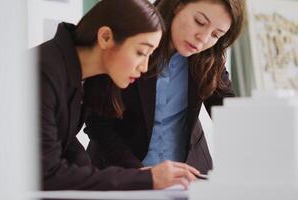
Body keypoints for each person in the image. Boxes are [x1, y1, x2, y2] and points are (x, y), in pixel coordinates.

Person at [38, 0, 200, 191]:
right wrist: (147, 178)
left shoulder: (77, 76)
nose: (145, 67)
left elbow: (65, 146)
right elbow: (48, 174)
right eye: (141, 52)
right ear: (105, 37)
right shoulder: (45, 71)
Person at [85, 0, 244, 174]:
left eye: (216, 34)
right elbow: (97, 122)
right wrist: (141, 173)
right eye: (199, 22)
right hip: (120, 172)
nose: (204, 38)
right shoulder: (128, 37)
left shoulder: (209, 59)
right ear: (178, 5)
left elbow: (230, 114)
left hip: (188, 176)